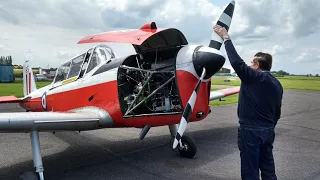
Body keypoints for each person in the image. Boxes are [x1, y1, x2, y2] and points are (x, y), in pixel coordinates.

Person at [214, 25, 283, 180]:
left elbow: (237, 63)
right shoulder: (277, 83)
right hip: (268, 131)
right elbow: (277, 110)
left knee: (250, 170)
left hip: (251, 131)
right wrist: (270, 126)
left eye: (252, 63)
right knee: (268, 170)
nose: (250, 66)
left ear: (257, 66)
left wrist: (226, 37)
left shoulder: (254, 77)